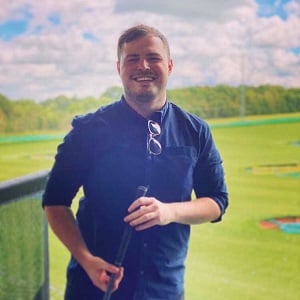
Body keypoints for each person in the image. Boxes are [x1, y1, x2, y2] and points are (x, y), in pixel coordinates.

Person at [42, 24, 228, 300]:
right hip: (94, 287)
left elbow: (216, 202)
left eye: (153, 57)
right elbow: (55, 202)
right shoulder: (88, 130)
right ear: (119, 68)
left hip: (164, 287)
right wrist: (86, 260)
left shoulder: (195, 130)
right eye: (132, 59)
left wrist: (169, 212)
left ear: (169, 65)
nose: (143, 65)